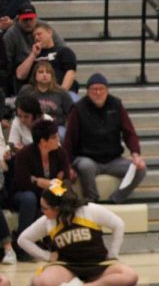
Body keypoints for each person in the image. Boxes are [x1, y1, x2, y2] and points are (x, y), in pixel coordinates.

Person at [17, 178, 138, 286]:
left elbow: (118, 224)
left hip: (98, 264)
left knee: (130, 277)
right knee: (40, 285)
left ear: (57, 208)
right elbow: (23, 239)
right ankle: (91, 284)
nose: (42, 211)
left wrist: (113, 254)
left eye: (44, 208)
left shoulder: (90, 210)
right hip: (67, 266)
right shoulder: (47, 221)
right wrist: (47, 256)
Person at [64, 73, 146, 204]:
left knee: (140, 169)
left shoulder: (116, 105)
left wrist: (135, 154)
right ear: (88, 92)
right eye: (94, 89)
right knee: (85, 166)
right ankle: (92, 200)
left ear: (107, 91)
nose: (98, 92)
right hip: (87, 157)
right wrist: (67, 165)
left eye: (101, 89)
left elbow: (129, 132)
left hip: (113, 160)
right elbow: (69, 139)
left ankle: (116, 199)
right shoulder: (78, 108)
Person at [12, 119, 73, 236]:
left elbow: (66, 182)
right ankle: (23, 238)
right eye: (54, 137)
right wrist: (51, 183)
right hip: (22, 194)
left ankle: (61, 237)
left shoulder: (61, 153)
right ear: (43, 141)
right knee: (30, 198)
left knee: (63, 195)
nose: (58, 139)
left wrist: (37, 180)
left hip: (47, 192)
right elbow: (22, 183)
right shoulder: (24, 154)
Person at [14, 22, 77, 96]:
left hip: (59, 91)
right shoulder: (32, 56)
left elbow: (70, 73)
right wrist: (33, 55)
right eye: (34, 36)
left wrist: (61, 94)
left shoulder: (63, 51)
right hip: (37, 94)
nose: (36, 38)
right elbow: (20, 75)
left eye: (39, 34)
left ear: (49, 32)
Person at [18, 60, 73, 137]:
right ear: (35, 75)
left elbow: (72, 113)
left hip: (56, 127)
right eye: (41, 72)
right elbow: (18, 111)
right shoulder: (26, 91)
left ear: (52, 76)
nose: (44, 75)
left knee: (62, 134)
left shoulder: (61, 92)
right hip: (30, 126)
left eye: (48, 72)